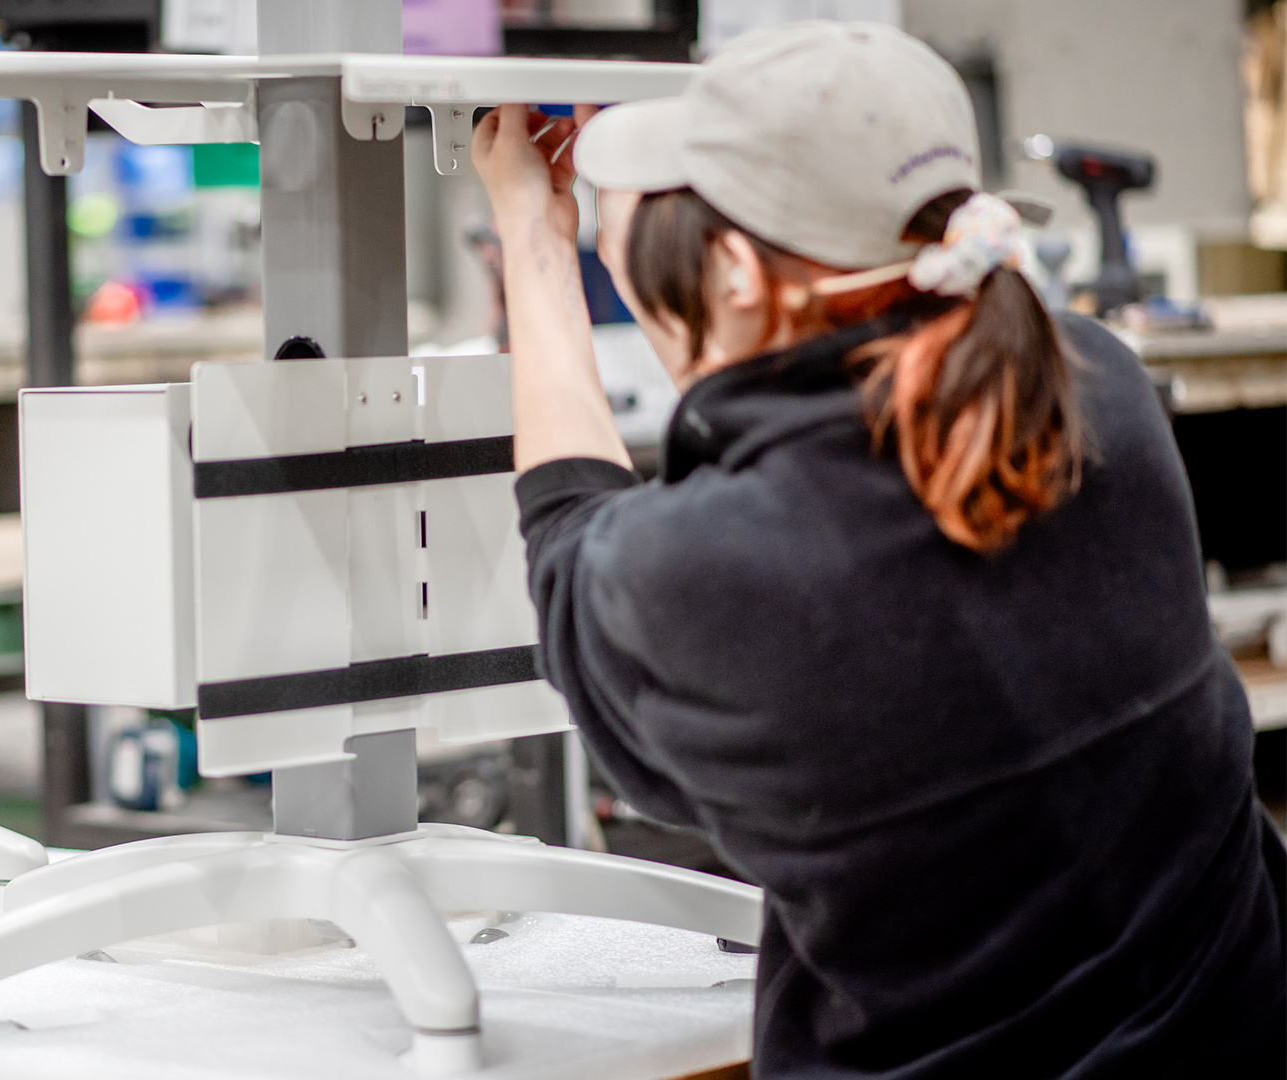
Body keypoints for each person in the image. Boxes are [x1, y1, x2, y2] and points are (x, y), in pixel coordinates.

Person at [472, 20, 1286, 1078]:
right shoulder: (1098, 391)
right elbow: (807, 426)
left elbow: (576, 543)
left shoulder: (714, 571)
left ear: (735, 275)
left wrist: (535, 243)